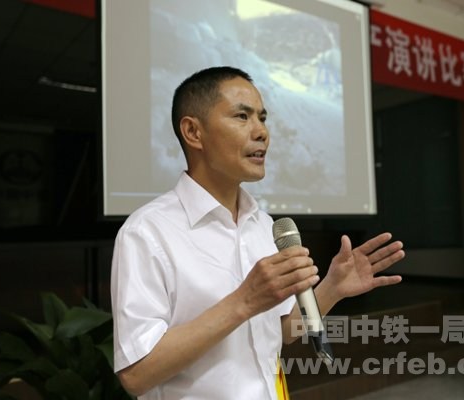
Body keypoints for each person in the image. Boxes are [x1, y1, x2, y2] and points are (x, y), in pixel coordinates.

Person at [111, 66, 405, 399]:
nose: (262, 132)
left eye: (262, 118)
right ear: (193, 132)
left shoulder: (265, 225)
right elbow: (136, 374)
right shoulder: (147, 232)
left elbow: (278, 332)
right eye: (242, 116)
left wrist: (331, 289)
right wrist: (243, 301)